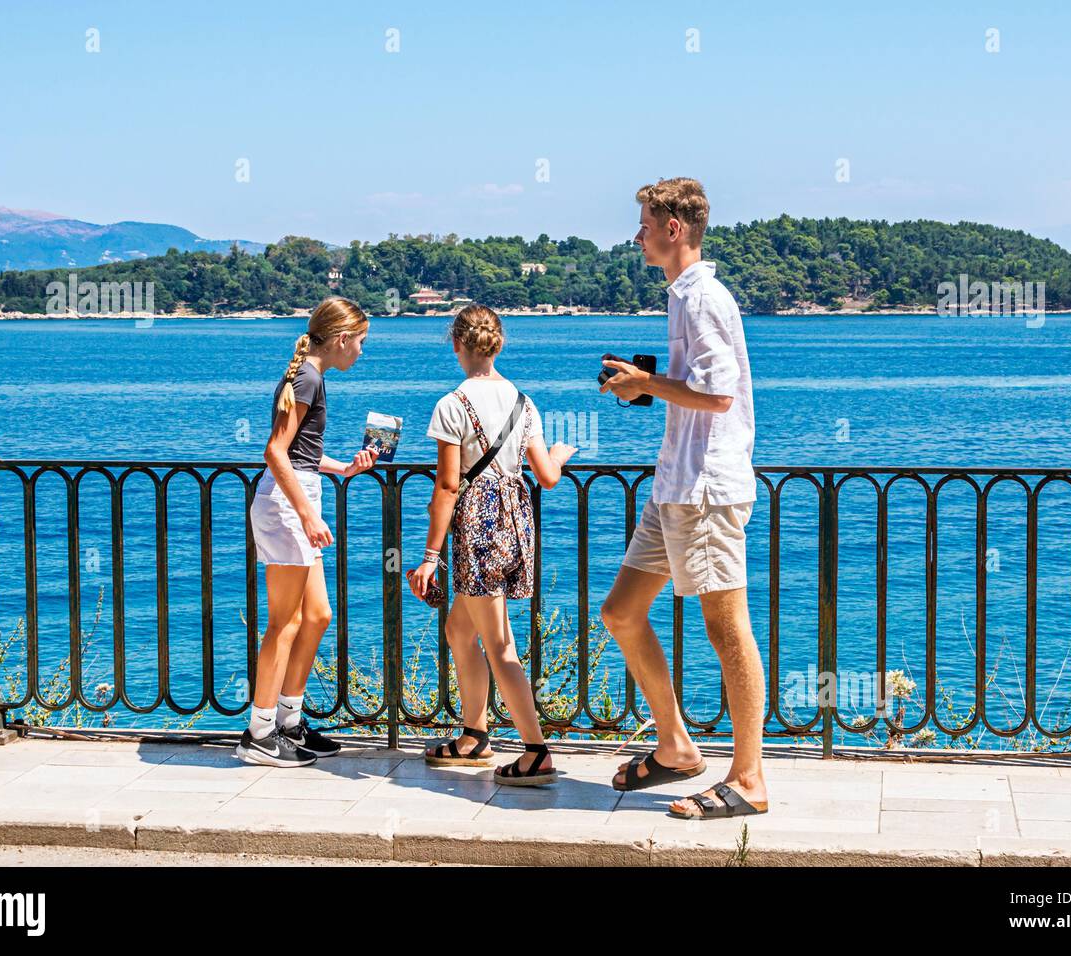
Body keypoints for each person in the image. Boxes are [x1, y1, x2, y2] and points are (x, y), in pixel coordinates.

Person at [597, 177, 769, 818]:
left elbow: (719, 397)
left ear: (674, 228)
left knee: (727, 628)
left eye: (643, 222)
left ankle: (748, 779)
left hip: (705, 488)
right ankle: (675, 747)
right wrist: (649, 385)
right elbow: (695, 388)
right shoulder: (683, 298)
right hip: (675, 484)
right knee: (621, 611)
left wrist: (645, 381)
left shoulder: (702, 300)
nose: (637, 233)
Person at [407, 305, 577, 785]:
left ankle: (535, 751)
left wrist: (429, 557)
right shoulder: (525, 402)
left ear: (457, 345)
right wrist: (560, 455)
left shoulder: (452, 405)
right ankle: (473, 735)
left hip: (478, 534)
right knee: (461, 631)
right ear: (498, 344)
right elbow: (546, 476)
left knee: (501, 645)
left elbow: (447, 486)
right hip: (515, 529)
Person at [235, 297, 379, 767]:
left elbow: (299, 453)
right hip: (286, 505)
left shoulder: (309, 376)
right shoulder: (307, 377)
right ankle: (258, 734)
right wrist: (308, 515)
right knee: (286, 623)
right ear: (341, 339)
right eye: (360, 342)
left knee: (316, 615)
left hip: (298, 496)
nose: (361, 351)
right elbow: (275, 453)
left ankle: (289, 721)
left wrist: (343, 469)